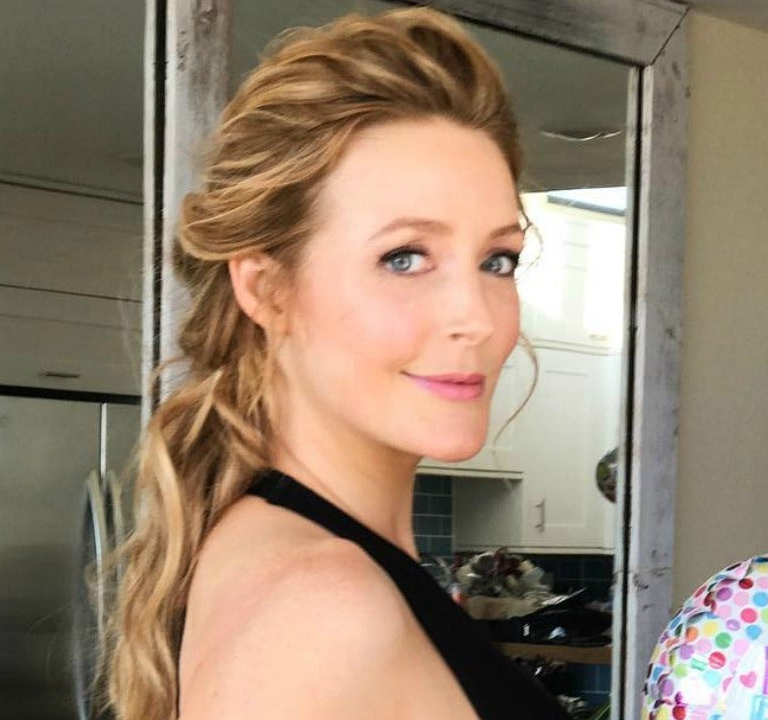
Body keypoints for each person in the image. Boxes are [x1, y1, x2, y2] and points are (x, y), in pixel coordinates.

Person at [106, 8, 572, 720]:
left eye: (496, 260)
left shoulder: (315, 560)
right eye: (405, 258)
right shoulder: (325, 608)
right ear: (268, 289)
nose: (476, 317)